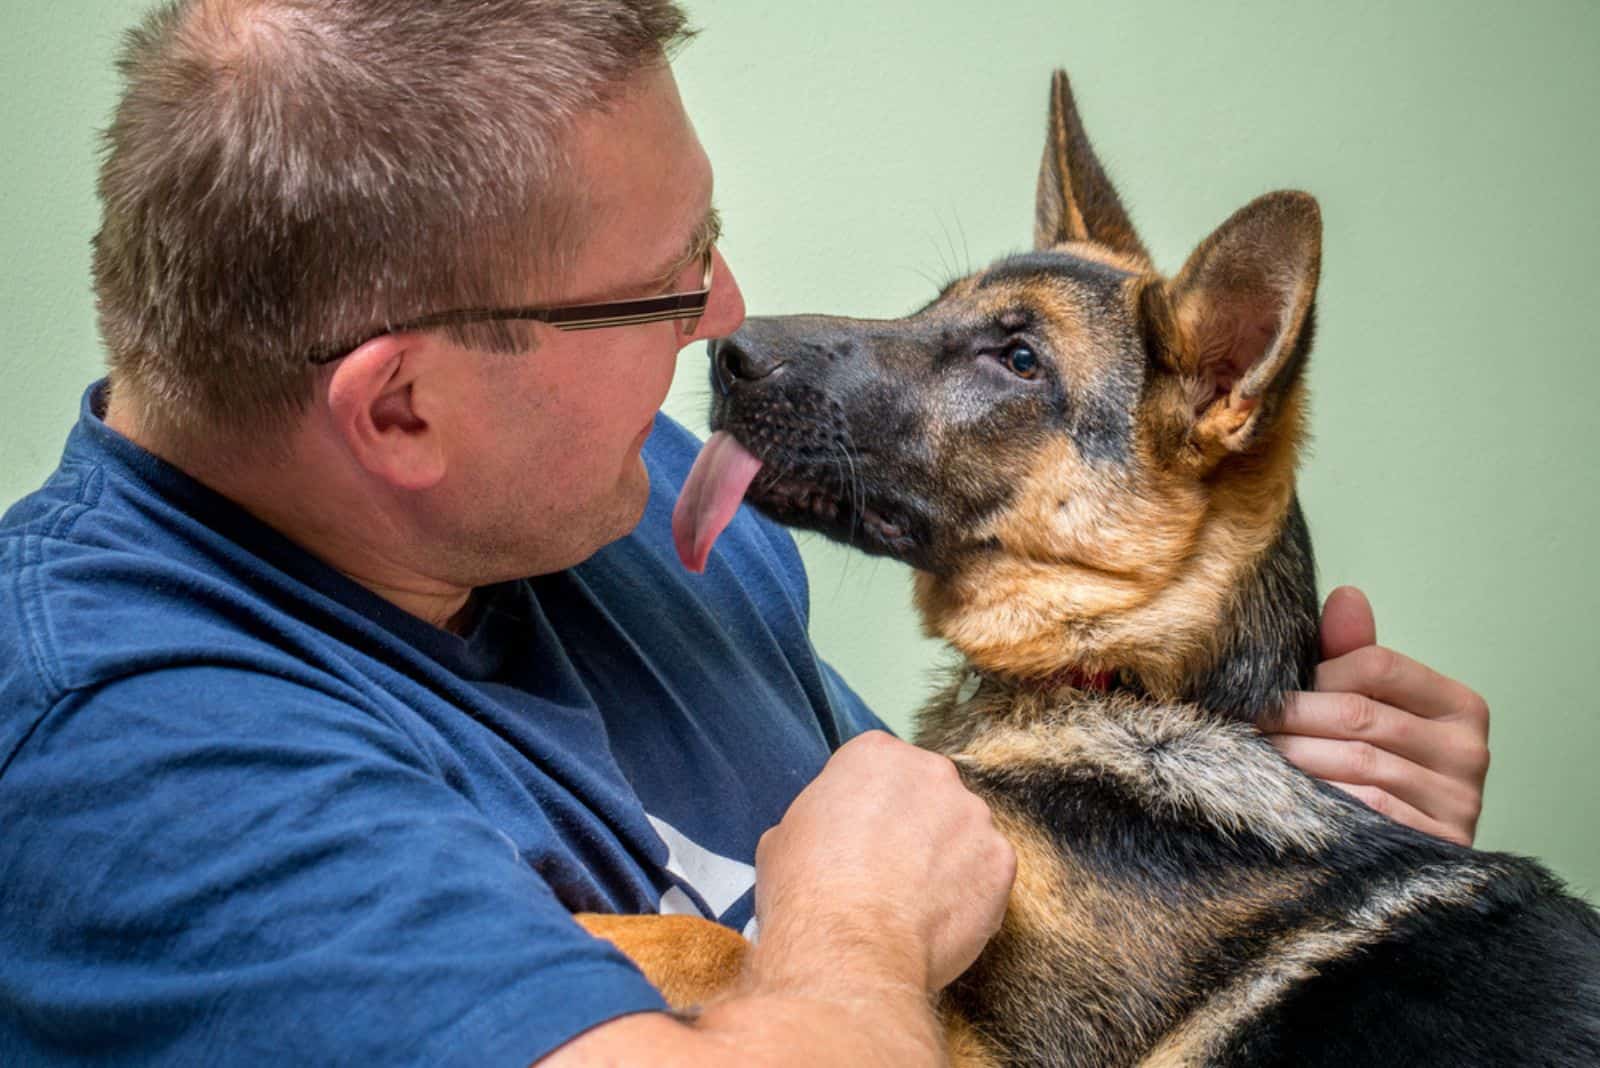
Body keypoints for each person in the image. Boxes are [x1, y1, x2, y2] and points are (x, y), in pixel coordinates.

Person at [0, 1, 1491, 1063]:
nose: (728, 318)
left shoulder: (620, 504)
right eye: (665, 282)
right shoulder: (134, 759)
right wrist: (849, 933)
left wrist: (1309, 890)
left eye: (703, 246)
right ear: (400, 413)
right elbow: (889, 910)